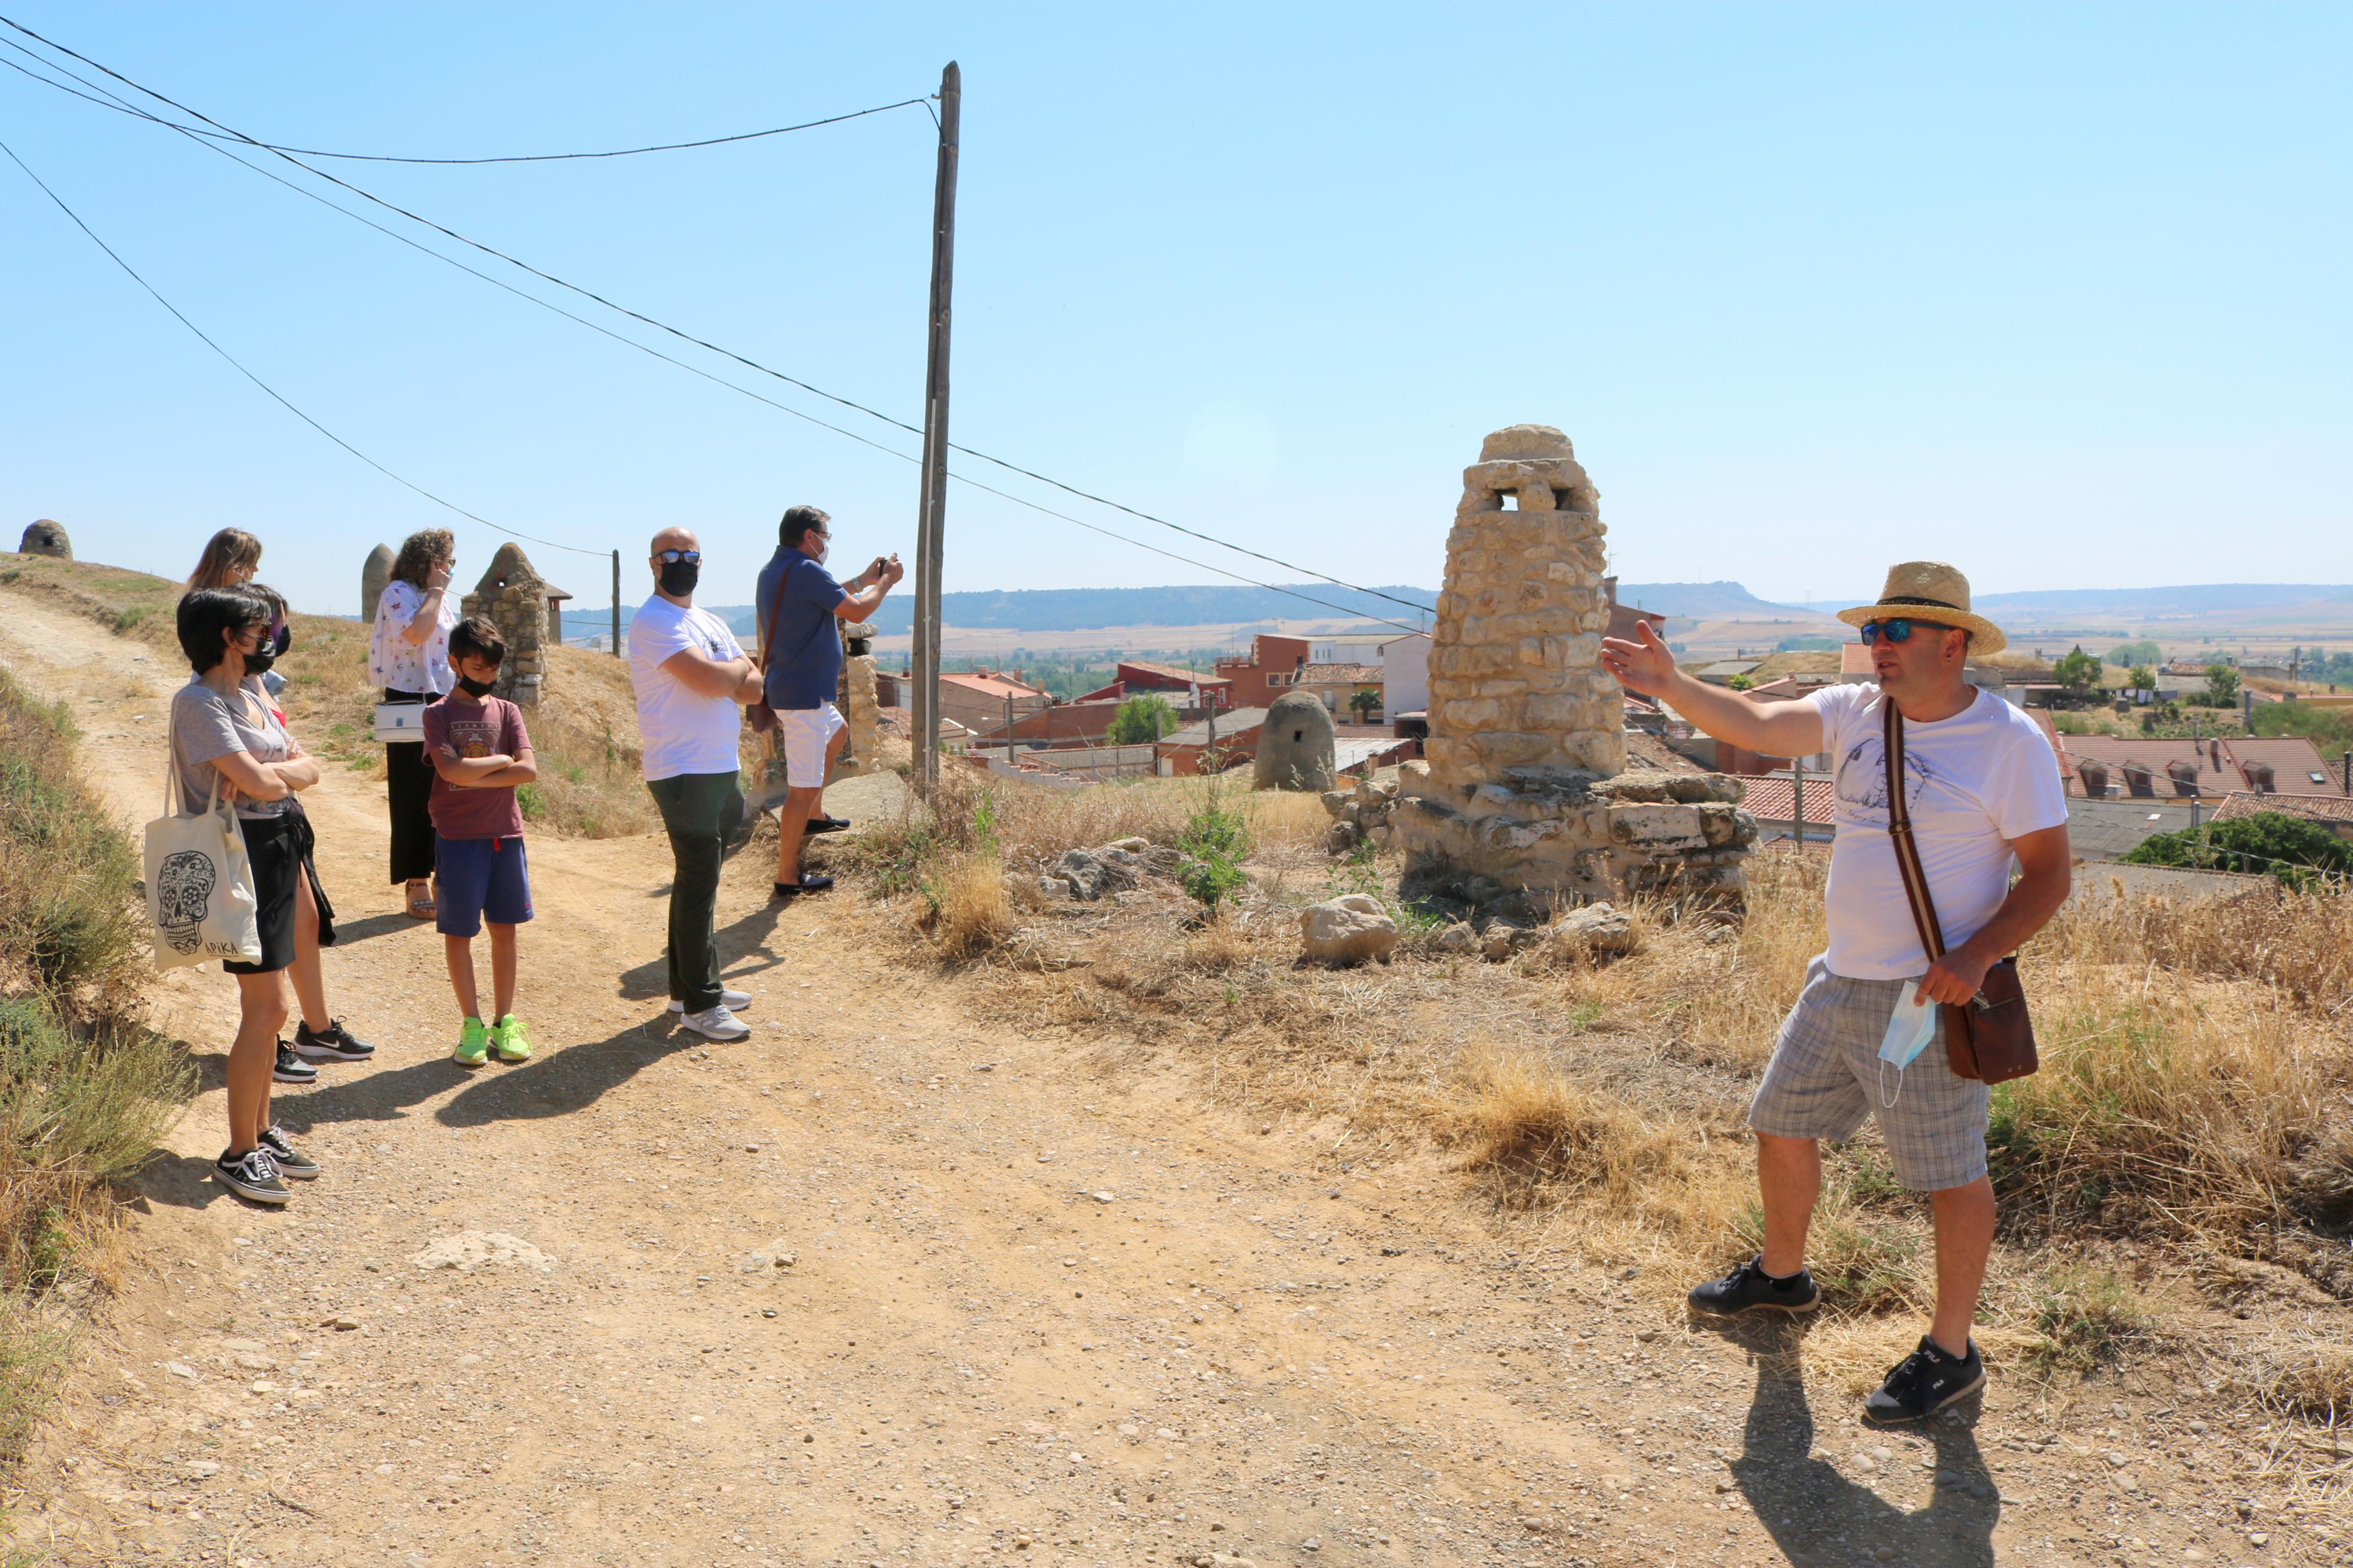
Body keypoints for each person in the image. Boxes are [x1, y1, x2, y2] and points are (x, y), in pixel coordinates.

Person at [1601, 561, 2070, 1423]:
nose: (1876, 648)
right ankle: (1782, 1276)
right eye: (1871, 632)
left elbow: (2047, 877)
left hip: (1926, 997)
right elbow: (1756, 720)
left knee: (1947, 1174)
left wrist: (1975, 955)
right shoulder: (1856, 712)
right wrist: (1670, 684)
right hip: (1839, 975)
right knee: (1779, 1123)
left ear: (1952, 642)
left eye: (1895, 632)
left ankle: (1950, 1351)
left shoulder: (2008, 740)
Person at [172, 589, 372, 1205]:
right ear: (229, 636)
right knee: (267, 1010)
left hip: (277, 845)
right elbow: (268, 776)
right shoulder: (198, 702)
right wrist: (278, 774)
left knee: (273, 1010)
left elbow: (305, 768)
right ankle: (238, 1152)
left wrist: (274, 776)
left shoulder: (251, 695)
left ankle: (259, 1132)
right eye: (259, 628)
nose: (270, 636)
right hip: (242, 857)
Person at [627, 526, 764, 1042]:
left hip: (717, 764)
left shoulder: (706, 621)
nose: (682, 561)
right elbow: (714, 681)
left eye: (691, 555)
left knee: (696, 882)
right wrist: (730, 671)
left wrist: (724, 671)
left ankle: (686, 989)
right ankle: (702, 1003)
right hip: (682, 768)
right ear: (653, 564)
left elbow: (754, 688)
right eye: (671, 555)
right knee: (698, 879)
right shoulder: (653, 621)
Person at [753, 505, 903, 898]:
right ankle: (787, 876)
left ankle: (816, 815)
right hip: (803, 698)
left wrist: (863, 578)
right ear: (809, 537)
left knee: (839, 734)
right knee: (799, 789)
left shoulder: (780, 569)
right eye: (825, 536)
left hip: (800, 690)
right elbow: (855, 610)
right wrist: (885, 583)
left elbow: (827, 593)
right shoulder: (804, 570)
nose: (826, 543)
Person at [421, 617, 537, 1068]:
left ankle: (504, 1021)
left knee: (504, 930)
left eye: (493, 667)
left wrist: (481, 770)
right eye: (477, 665)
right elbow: (450, 773)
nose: (487, 674)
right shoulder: (437, 714)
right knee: (459, 933)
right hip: (457, 838)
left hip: (504, 835)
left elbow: (528, 772)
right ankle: (471, 1024)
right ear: (454, 662)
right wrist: (503, 759)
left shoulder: (508, 711)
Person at [368, 529, 462, 919]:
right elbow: (415, 633)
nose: (450, 569)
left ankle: (447, 873)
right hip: (407, 701)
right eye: (447, 560)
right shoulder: (398, 594)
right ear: (429, 561)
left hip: (444, 699)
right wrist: (437, 593)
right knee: (411, 793)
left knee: (449, 787)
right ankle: (417, 879)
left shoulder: (440, 599)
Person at [186, 528, 290, 698]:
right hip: (222, 686)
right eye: (251, 562)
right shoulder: (203, 606)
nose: (255, 569)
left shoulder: (243, 600)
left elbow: (273, 647)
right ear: (232, 564)